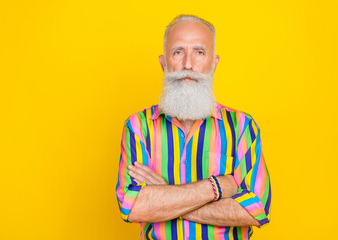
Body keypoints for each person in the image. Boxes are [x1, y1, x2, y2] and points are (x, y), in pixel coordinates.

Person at [115, 14, 271, 240]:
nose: (188, 64)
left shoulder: (242, 127)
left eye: (199, 52)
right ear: (163, 63)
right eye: (178, 52)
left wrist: (164, 195)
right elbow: (132, 207)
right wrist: (216, 187)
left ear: (214, 63)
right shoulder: (138, 126)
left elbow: (255, 210)